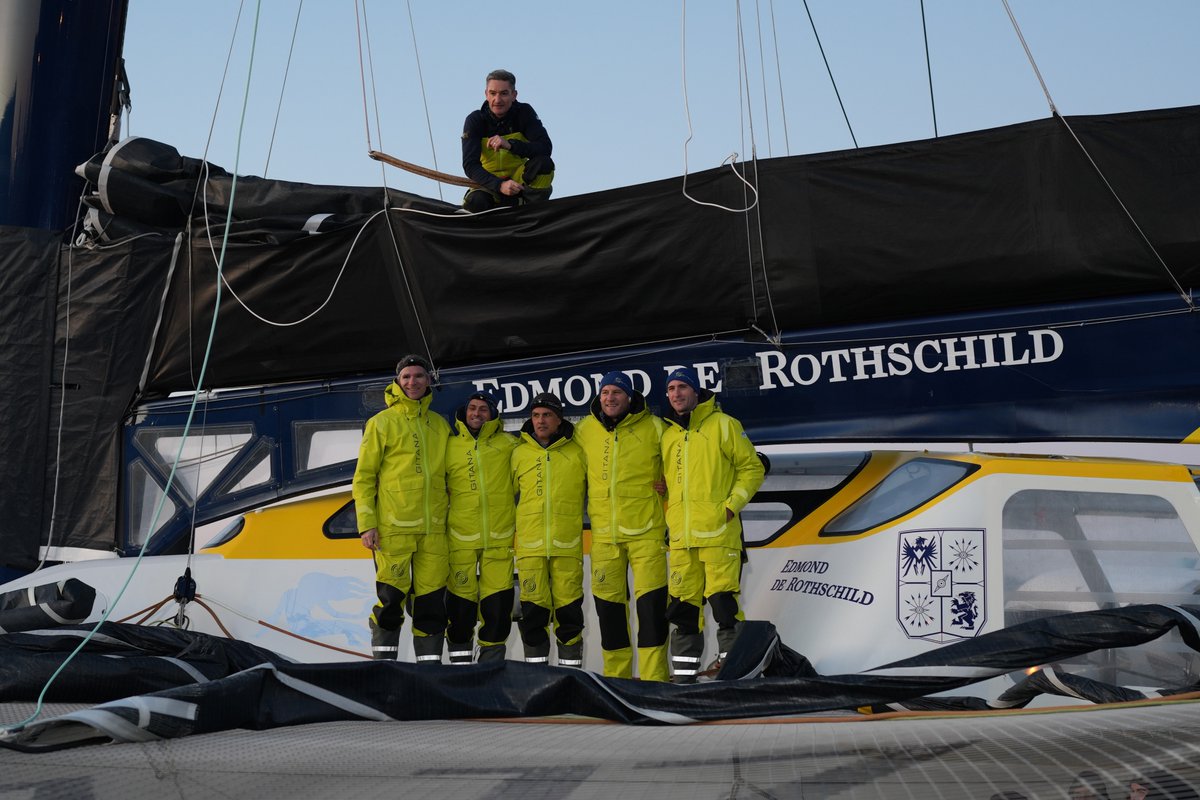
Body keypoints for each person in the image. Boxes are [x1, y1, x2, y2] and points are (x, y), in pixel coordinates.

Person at [660, 366, 765, 683]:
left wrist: (731, 507)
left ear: (696, 391)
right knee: (682, 612)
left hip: (719, 536)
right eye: (671, 389)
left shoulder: (724, 425)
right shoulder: (668, 436)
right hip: (681, 542)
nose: (676, 394)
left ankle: (732, 677)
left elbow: (752, 469)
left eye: (682, 387)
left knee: (724, 608)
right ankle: (683, 682)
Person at [352, 354, 450, 662]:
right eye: (406, 376)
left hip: (434, 530)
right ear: (397, 381)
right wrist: (367, 523)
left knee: (432, 604)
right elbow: (364, 478)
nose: (412, 382)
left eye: (418, 375)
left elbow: (451, 476)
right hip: (393, 529)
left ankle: (429, 672)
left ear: (428, 380)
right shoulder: (381, 423)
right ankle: (385, 670)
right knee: (391, 601)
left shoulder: (440, 424)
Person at [574, 370, 670, 681]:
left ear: (629, 398)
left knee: (651, 611)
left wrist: (668, 483)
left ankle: (655, 680)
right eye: (605, 393)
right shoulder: (584, 430)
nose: (610, 398)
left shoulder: (655, 428)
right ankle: (617, 680)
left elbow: (683, 461)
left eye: (617, 393)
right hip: (604, 537)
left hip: (647, 533)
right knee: (609, 614)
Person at [510, 392, 586, 666]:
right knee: (533, 617)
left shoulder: (577, 452)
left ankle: (572, 677)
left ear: (559, 419)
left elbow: (603, 490)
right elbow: (502, 498)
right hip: (530, 550)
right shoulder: (518, 453)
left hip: (567, 548)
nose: (540, 421)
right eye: (536, 415)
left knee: (569, 616)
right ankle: (536, 677)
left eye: (547, 415)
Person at [444, 390, 518, 664]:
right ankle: (459, 671)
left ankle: (491, 670)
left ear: (494, 414)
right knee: (460, 611)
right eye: (472, 408)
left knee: (498, 610)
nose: (476, 413)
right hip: (459, 541)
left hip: (499, 540)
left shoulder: (509, 445)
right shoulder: (449, 446)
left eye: (483, 409)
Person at [461, 69, 554, 212]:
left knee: (544, 164)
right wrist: (500, 185)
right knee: (476, 201)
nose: (497, 100)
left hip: (520, 180)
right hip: (488, 184)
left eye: (504, 93)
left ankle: (532, 210)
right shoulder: (475, 120)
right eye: (493, 93)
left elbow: (545, 148)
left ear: (514, 95)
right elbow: (470, 165)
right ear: (486, 94)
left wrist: (511, 145)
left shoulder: (524, 113)